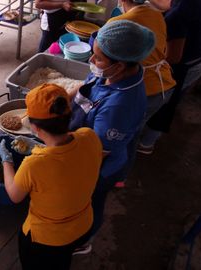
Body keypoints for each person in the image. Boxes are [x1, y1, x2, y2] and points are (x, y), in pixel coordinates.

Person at [0, 84, 103, 269]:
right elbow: (70, 164)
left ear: (34, 127)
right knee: (61, 262)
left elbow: (14, 195)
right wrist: (44, 148)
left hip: (47, 240)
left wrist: (6, 161)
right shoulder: (90, 136)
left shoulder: (35, 164)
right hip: (83, 225)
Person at [69, 20, 155, 237]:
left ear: (119, 65)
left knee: (91, 201)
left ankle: (84, 239)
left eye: (97, 58)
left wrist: (54, 141)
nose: (91, 60)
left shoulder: (120, 106)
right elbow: (87, 84)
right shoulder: (110, 73)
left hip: (99, 166)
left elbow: (97, 151)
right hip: (84, 141)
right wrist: (60, 96)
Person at [106, 0, 176, 179]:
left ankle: (118, 176)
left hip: (146, 89)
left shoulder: (118, 23)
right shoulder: (157, 15)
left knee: (125, 137)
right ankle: (121, 172)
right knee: (132, 132)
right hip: (164, 84)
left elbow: (108, 63)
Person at [143, 0, 201, 153]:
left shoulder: (180, 13)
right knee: (169, 100)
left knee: (164, 103)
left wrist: (146, 53)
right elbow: (169, 4)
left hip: (184, 66)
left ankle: (146, 143)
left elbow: (173, 57)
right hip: (199, 56)